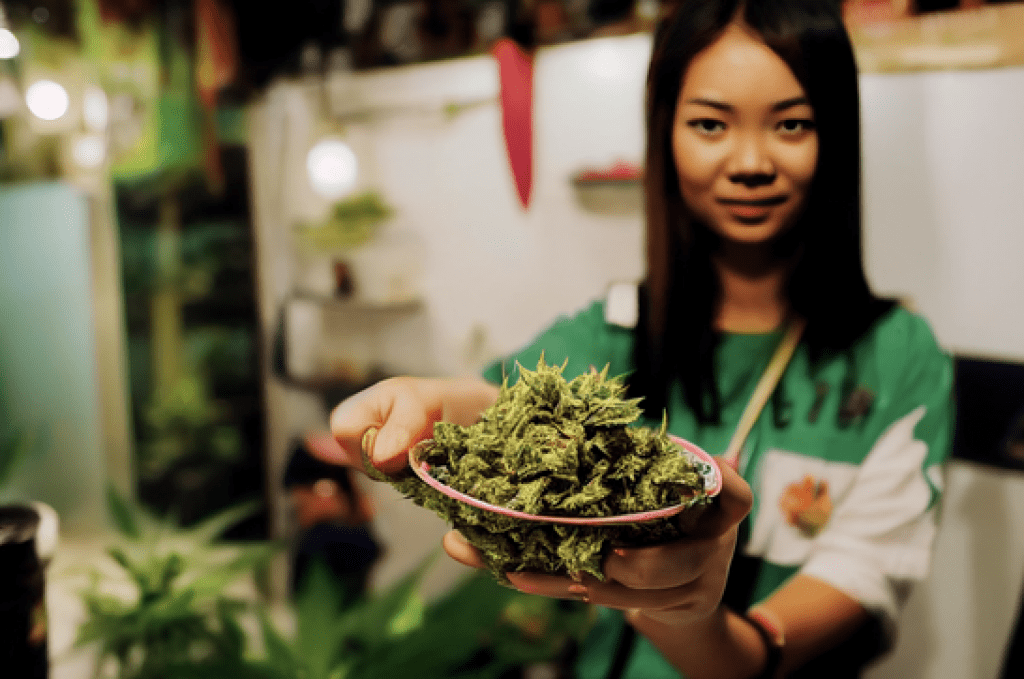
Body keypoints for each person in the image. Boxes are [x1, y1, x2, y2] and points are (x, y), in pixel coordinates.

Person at [318, 0, 954, 677]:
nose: (749, 161)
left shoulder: (899, 360)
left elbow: (762, 653)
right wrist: (426, 404)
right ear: (666, 133)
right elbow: (502, 406)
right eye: (710, 124)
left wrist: (690, 615)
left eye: (791, 124)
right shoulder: (618, 327)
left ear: (836, 133)